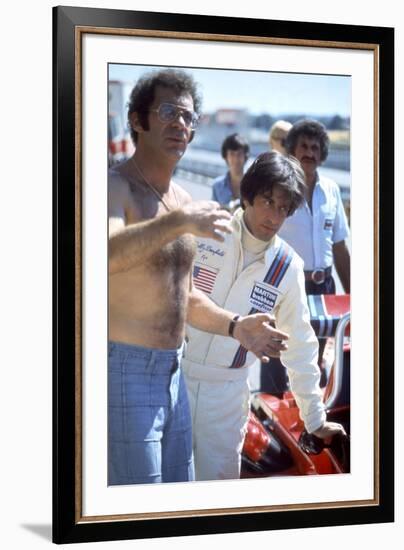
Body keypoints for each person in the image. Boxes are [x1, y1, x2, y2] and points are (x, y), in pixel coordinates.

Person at [108, 69, 285, 486]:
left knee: (179, 498)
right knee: (141, 508)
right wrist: (179, 223)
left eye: (189, 117)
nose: (180, 124)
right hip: (125, 369)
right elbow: (102, 255)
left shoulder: (184, 200)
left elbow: (184, 298)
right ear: (137, 120)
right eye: (168, 111)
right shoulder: (115, 185)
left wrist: (236, 326)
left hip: (175, 373)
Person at [182, 152, 346, 482]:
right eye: (267, 201)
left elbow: (300, 346)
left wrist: (314, 418)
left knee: (215, 496)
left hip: (227, 395)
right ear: (248, 195)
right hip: (174, 380)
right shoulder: (206, 231)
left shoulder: (287, 267)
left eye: (284, 208)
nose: (273, 216)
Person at [262, 119, 350, 394]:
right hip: (286, 287)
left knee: (313, 361)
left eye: (315, 147)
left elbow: (339, 247)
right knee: (277, 357)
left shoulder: (332, 190)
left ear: (322, 153)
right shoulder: (277, 189)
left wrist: (353, 296)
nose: (309, 152)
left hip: (324, 289)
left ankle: (310, 425)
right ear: (290, 150)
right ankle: (271, 418)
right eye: (303, 146)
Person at [211, 133, 250, 211]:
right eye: (232, 154)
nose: (236, 159)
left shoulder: (254, 184)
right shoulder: (217, 185)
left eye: (239, 154)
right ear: (225, 156)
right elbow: (213, 213)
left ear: (245, 156)